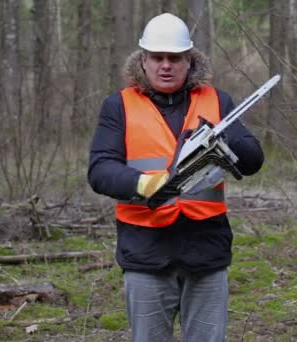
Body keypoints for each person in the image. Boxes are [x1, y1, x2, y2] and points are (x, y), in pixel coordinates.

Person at [87, 13, 264, 342]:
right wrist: (144, 184)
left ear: (189, 60)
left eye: (174, 58)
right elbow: (99, 170)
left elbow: (253, 160)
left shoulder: (217, 101)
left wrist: (224, 140)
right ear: (143, 60)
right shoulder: (118, 106)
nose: (165, 65)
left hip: (206, 253)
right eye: (157, 57)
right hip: (146, 255)